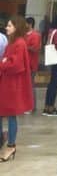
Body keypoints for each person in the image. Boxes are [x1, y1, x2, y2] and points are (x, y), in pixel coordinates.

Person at [0, 16, 33, 161]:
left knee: (11, 115)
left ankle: (11, 145)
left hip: (13, 85)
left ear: (16, 27)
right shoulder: (12, 43)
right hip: (6, 83)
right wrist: (4, 62)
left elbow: (15, 64)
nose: (6, 28)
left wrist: (3, 63)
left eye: (9, 26)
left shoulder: (19, 43)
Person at [42, 14, 57, 116]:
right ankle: (51, 108)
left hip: (53, 61)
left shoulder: (51, 31)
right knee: (55, 84)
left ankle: (47, 107)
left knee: (51, 84)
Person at [25, 17, 41, 113]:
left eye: (25, 23)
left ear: (30, 24)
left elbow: (35, 48)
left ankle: (31, 106)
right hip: (24, 64)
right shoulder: (24, 35)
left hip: (31, 64)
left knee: (30, 85)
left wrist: (24, 46)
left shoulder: (35, 35)